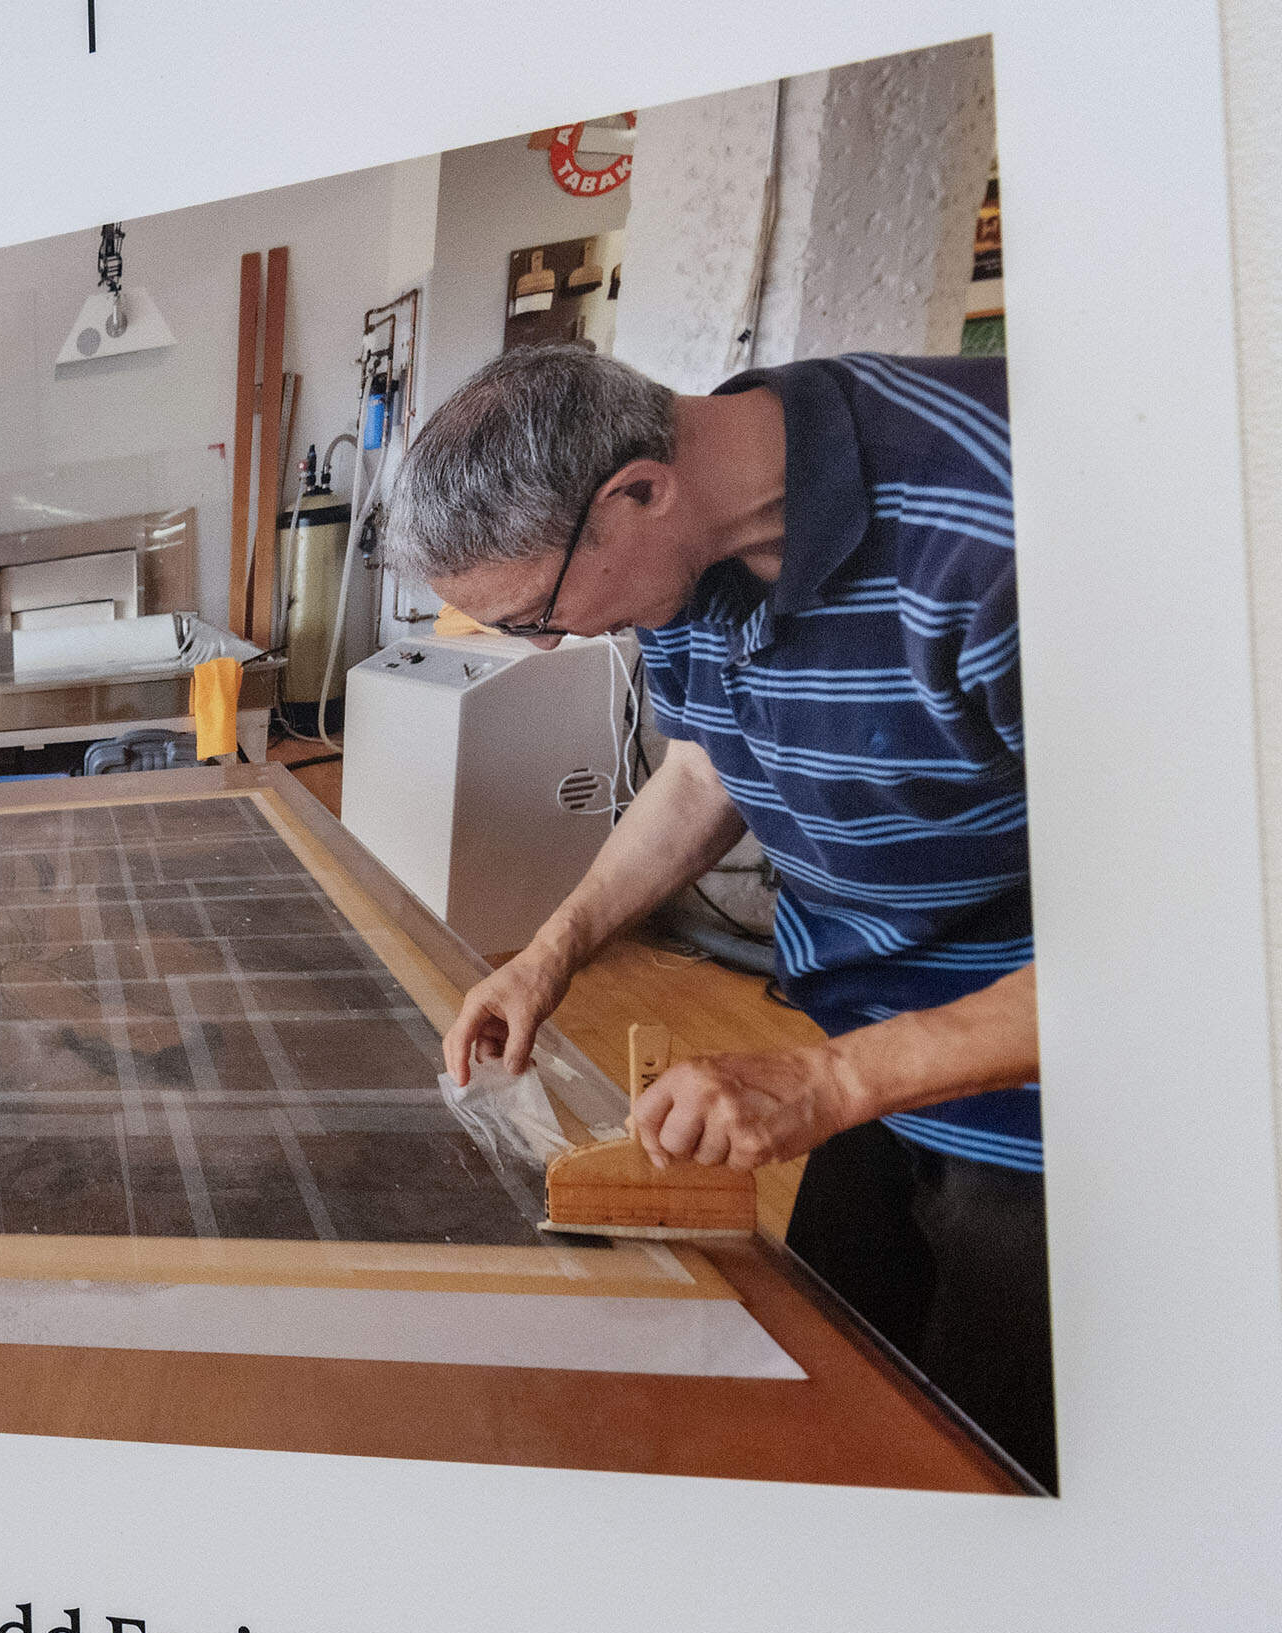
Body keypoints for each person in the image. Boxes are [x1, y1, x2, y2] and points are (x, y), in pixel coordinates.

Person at [389, 344, 1051, 1489]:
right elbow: (705, 769)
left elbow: (1192, 942)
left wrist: (829, 1085)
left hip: (1053, 1125)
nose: (555, 645)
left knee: (988, 1477)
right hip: (862, 1057)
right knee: (840, 1406)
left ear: (638, 491)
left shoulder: (1005, 527)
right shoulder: (698, 550)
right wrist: (549, 954)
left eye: (539, 614)